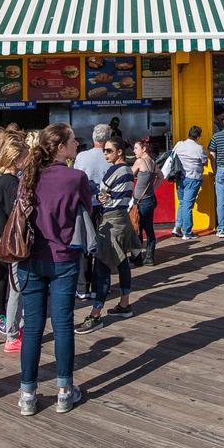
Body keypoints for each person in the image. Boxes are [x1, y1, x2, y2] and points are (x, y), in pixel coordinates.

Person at [17, 123, 92, 415]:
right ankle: (64, 391)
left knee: (33, 328)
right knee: (62, 326)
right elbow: (88, 209)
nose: (77, 145)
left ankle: (27, 395)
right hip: (63, 259)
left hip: (29, 260)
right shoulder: (76, 178)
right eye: (73, 141)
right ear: (60, 147)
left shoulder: (28, 176)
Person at [77, 137, 142, 333]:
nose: (105, 154)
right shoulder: (129, 171)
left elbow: (104, 195)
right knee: (122, 262)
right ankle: (124, 303)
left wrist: (95, 194)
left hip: (111, 221)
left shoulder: (115, 170)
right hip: (123, 220)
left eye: (108, 151)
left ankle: (96, 314)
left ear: (119, 152)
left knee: (102, 267)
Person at [0, 129, 30, 351]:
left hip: (4, 239)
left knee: (16, 285)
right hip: (13, 242)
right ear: (17, 158)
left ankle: (15, 329)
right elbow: (20, 212)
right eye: (25, 156)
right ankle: (12, 335)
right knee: (17, 288)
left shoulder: (1, 181)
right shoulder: (11, 183)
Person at [72, 124, 112, 299]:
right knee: (103, 247)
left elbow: (74, 179)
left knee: (84, 246)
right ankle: (100, 287)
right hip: (106, 206)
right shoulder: (111, 157)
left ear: (93, 137)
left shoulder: (82, 156)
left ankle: (82, 288)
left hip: (86, 205)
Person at [172, 126, 209, 240]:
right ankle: (187, 232)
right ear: (198, 137)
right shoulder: (199, 148)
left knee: (182, 203)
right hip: (193, 178)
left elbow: (172, 156)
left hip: (179, 177)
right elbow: (204, 162)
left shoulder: (179, 144)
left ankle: (178, 227)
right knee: (187, 205)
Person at [131, 137, 159, 265]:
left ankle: (137, 257)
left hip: (140, 201)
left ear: (143, 149)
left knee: (137, 228)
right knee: (149, 229)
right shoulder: (153, 163)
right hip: (150, 199)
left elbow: (129, 175)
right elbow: (161, 176)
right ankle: (150, 257)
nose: (134, 150)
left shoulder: (139, 161)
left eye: (136, 148)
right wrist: (153, 188)